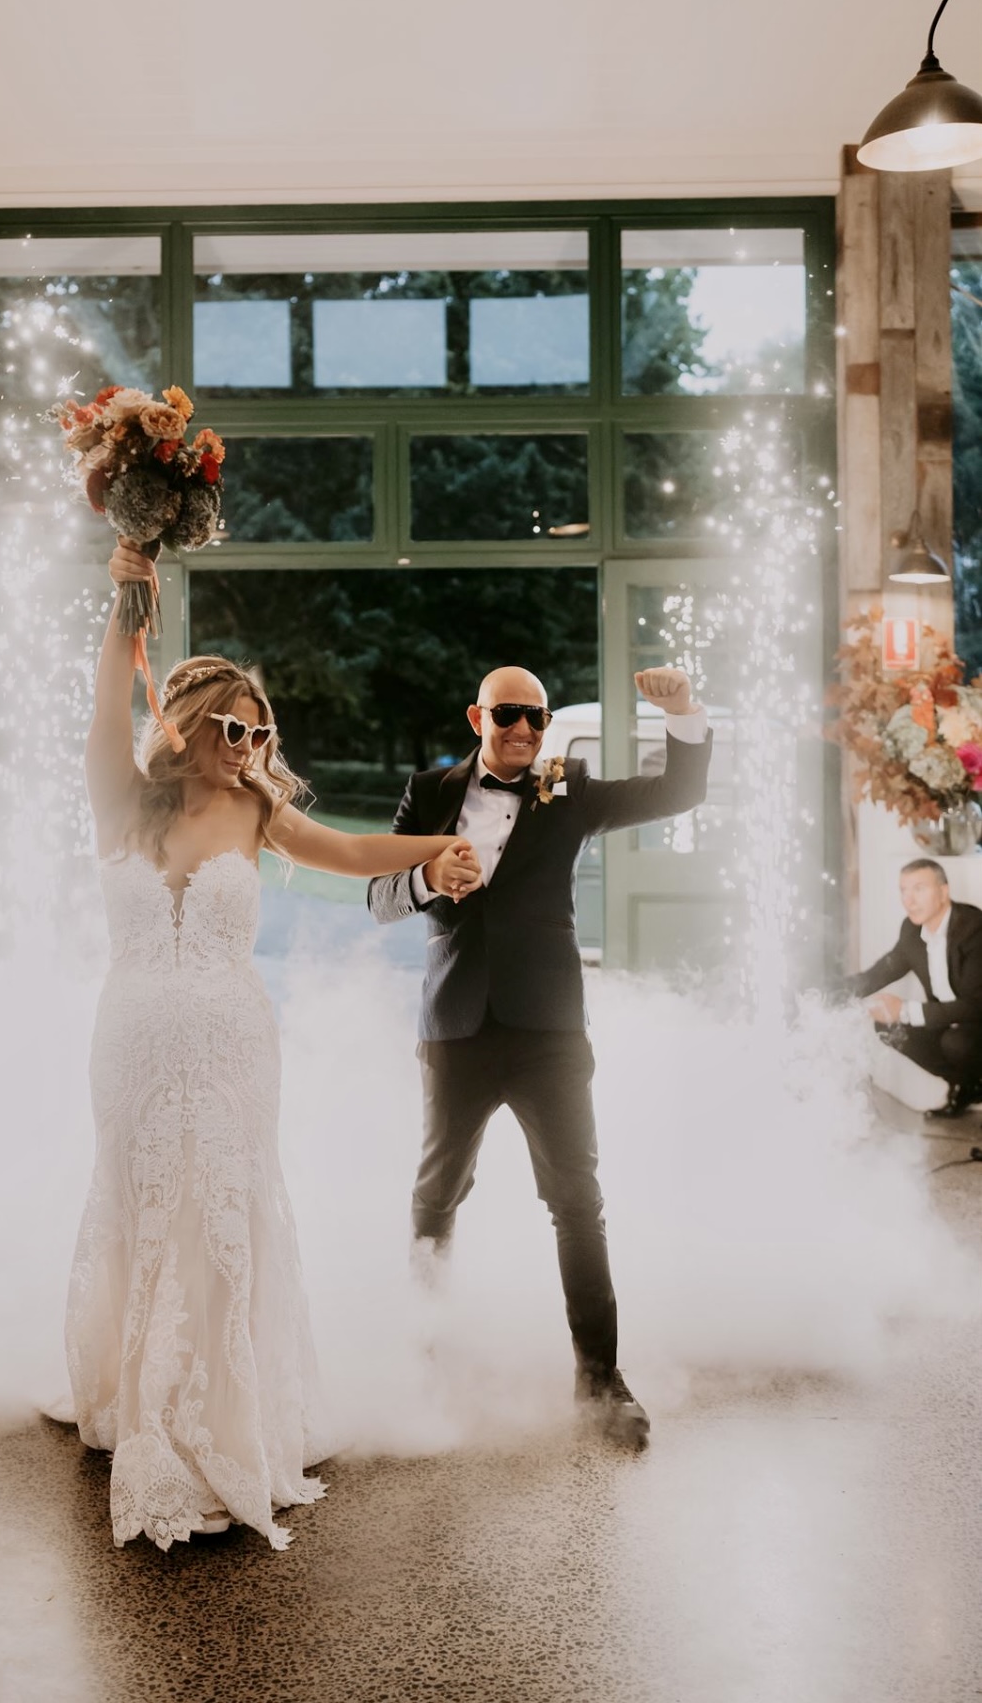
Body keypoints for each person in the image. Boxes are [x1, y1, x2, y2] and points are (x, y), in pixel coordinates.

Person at [65, 537, 479, 1552]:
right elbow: (105, 704)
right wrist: (125, 595)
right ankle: (135, 1391)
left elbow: (351, 850)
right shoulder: (121, 798)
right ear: (190, 723)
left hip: (231, 1047)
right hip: (129, 1042)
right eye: (234, 727)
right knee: (140, 1196)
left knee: (219, 1205)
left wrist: (439, 849)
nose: (248, 744)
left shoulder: (257, 809)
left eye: (260, 731)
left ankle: (216, 1414)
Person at [367, 664, 711, 1445]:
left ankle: (600, 1380)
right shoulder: (426, 792)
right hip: (454, 1028)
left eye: (536, 716)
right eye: (508, 714)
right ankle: (426, 1360)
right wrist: (425, 877)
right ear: (476, 718)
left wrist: (683, 712)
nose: (523, 728)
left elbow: (675, 792)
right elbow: (379, 897)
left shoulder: (569, 789)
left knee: (576, 1201)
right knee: (435, 1197)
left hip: (549, 1032)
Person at [846, 858, 982, 1119]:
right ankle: (968, 1085)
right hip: (947, 1023)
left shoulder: (974, 927)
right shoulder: (911, 929)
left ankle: (974, 1081)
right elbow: (878, 974)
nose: (909, 900)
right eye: (903, 890)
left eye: (919, 889)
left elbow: (976, 1006)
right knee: (887, 1027)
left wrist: (905, 1010)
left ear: (943, 892)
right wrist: (828, 994)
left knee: (956, 1042)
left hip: (976, 1024)